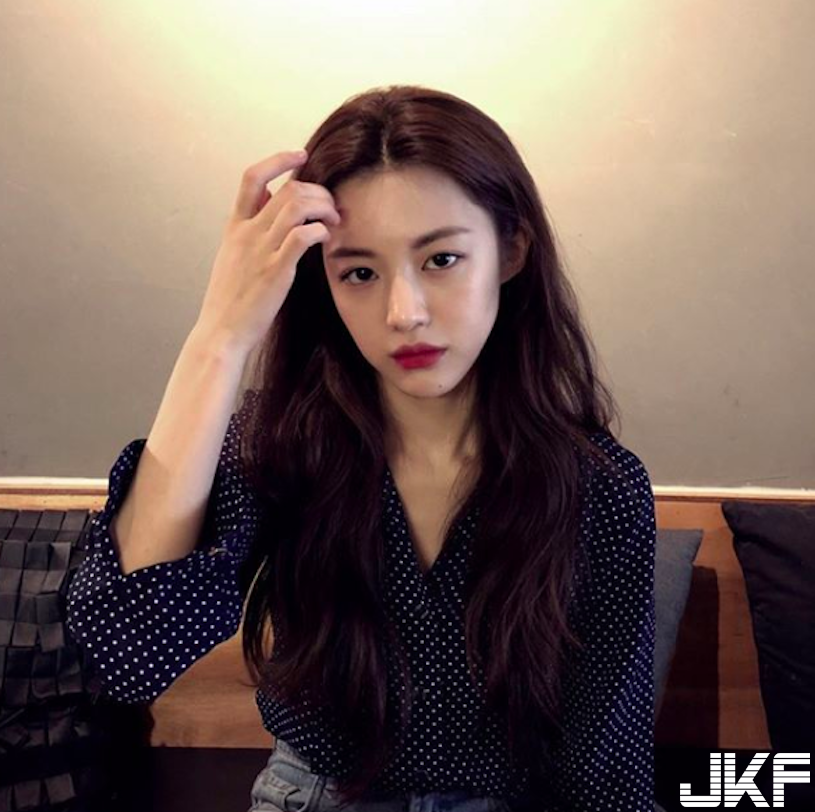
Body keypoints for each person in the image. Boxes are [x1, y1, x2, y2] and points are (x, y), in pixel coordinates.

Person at [66, 85, 657, 812]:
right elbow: (130, 652)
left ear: (510, 250)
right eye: (359, 273)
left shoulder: (597, 485)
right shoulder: (281, 444)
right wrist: (220, 334)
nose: (403, 313)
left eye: (441, 259)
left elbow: (604, 773)